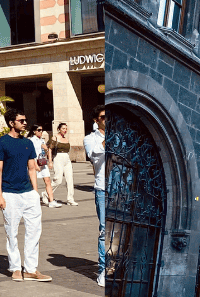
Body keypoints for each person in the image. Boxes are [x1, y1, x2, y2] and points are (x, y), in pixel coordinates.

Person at [0, 110, 52, 283]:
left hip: (29, 194)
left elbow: (32, 168)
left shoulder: (27, 143)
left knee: (34, 231)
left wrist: (35, 192)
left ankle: (31, 269)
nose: (25, 123)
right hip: (10, 194)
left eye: (25, 120)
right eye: (21, 120)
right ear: (12, 123)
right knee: (12, 232)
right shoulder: (2, 143)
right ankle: (16, 268)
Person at [84, 105, 107, 287]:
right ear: (96, 120)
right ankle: (103, 270)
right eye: (104, 117)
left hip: (123, 188)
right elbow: (94, 158)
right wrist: (107, 142)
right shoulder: (90, 139)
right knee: (104, 231)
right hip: (103, 189)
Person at [29, 126, 62, 208]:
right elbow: (31, 153)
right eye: (39, 130)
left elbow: (46, 152)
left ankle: (51, 201)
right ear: (34, 131)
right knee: (33, 183)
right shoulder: (31, 140)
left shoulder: (42, 140)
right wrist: (35, 165)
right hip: (34, 163)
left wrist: (46, 151)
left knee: (48, 181)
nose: (41, 132)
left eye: (42, 130)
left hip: (43, 162)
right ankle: (34, 201)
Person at [49, 123, 78, 206]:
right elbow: (50, 149)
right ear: (59, 129)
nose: (65, 130)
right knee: (58, 180)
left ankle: (70, 199)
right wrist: (50, 161)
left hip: (66, 158)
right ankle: (47, 193)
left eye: (66, 129)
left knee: (70, 179)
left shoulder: (66, 139)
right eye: (63, 128)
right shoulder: (55, 138)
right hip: (58, 157)